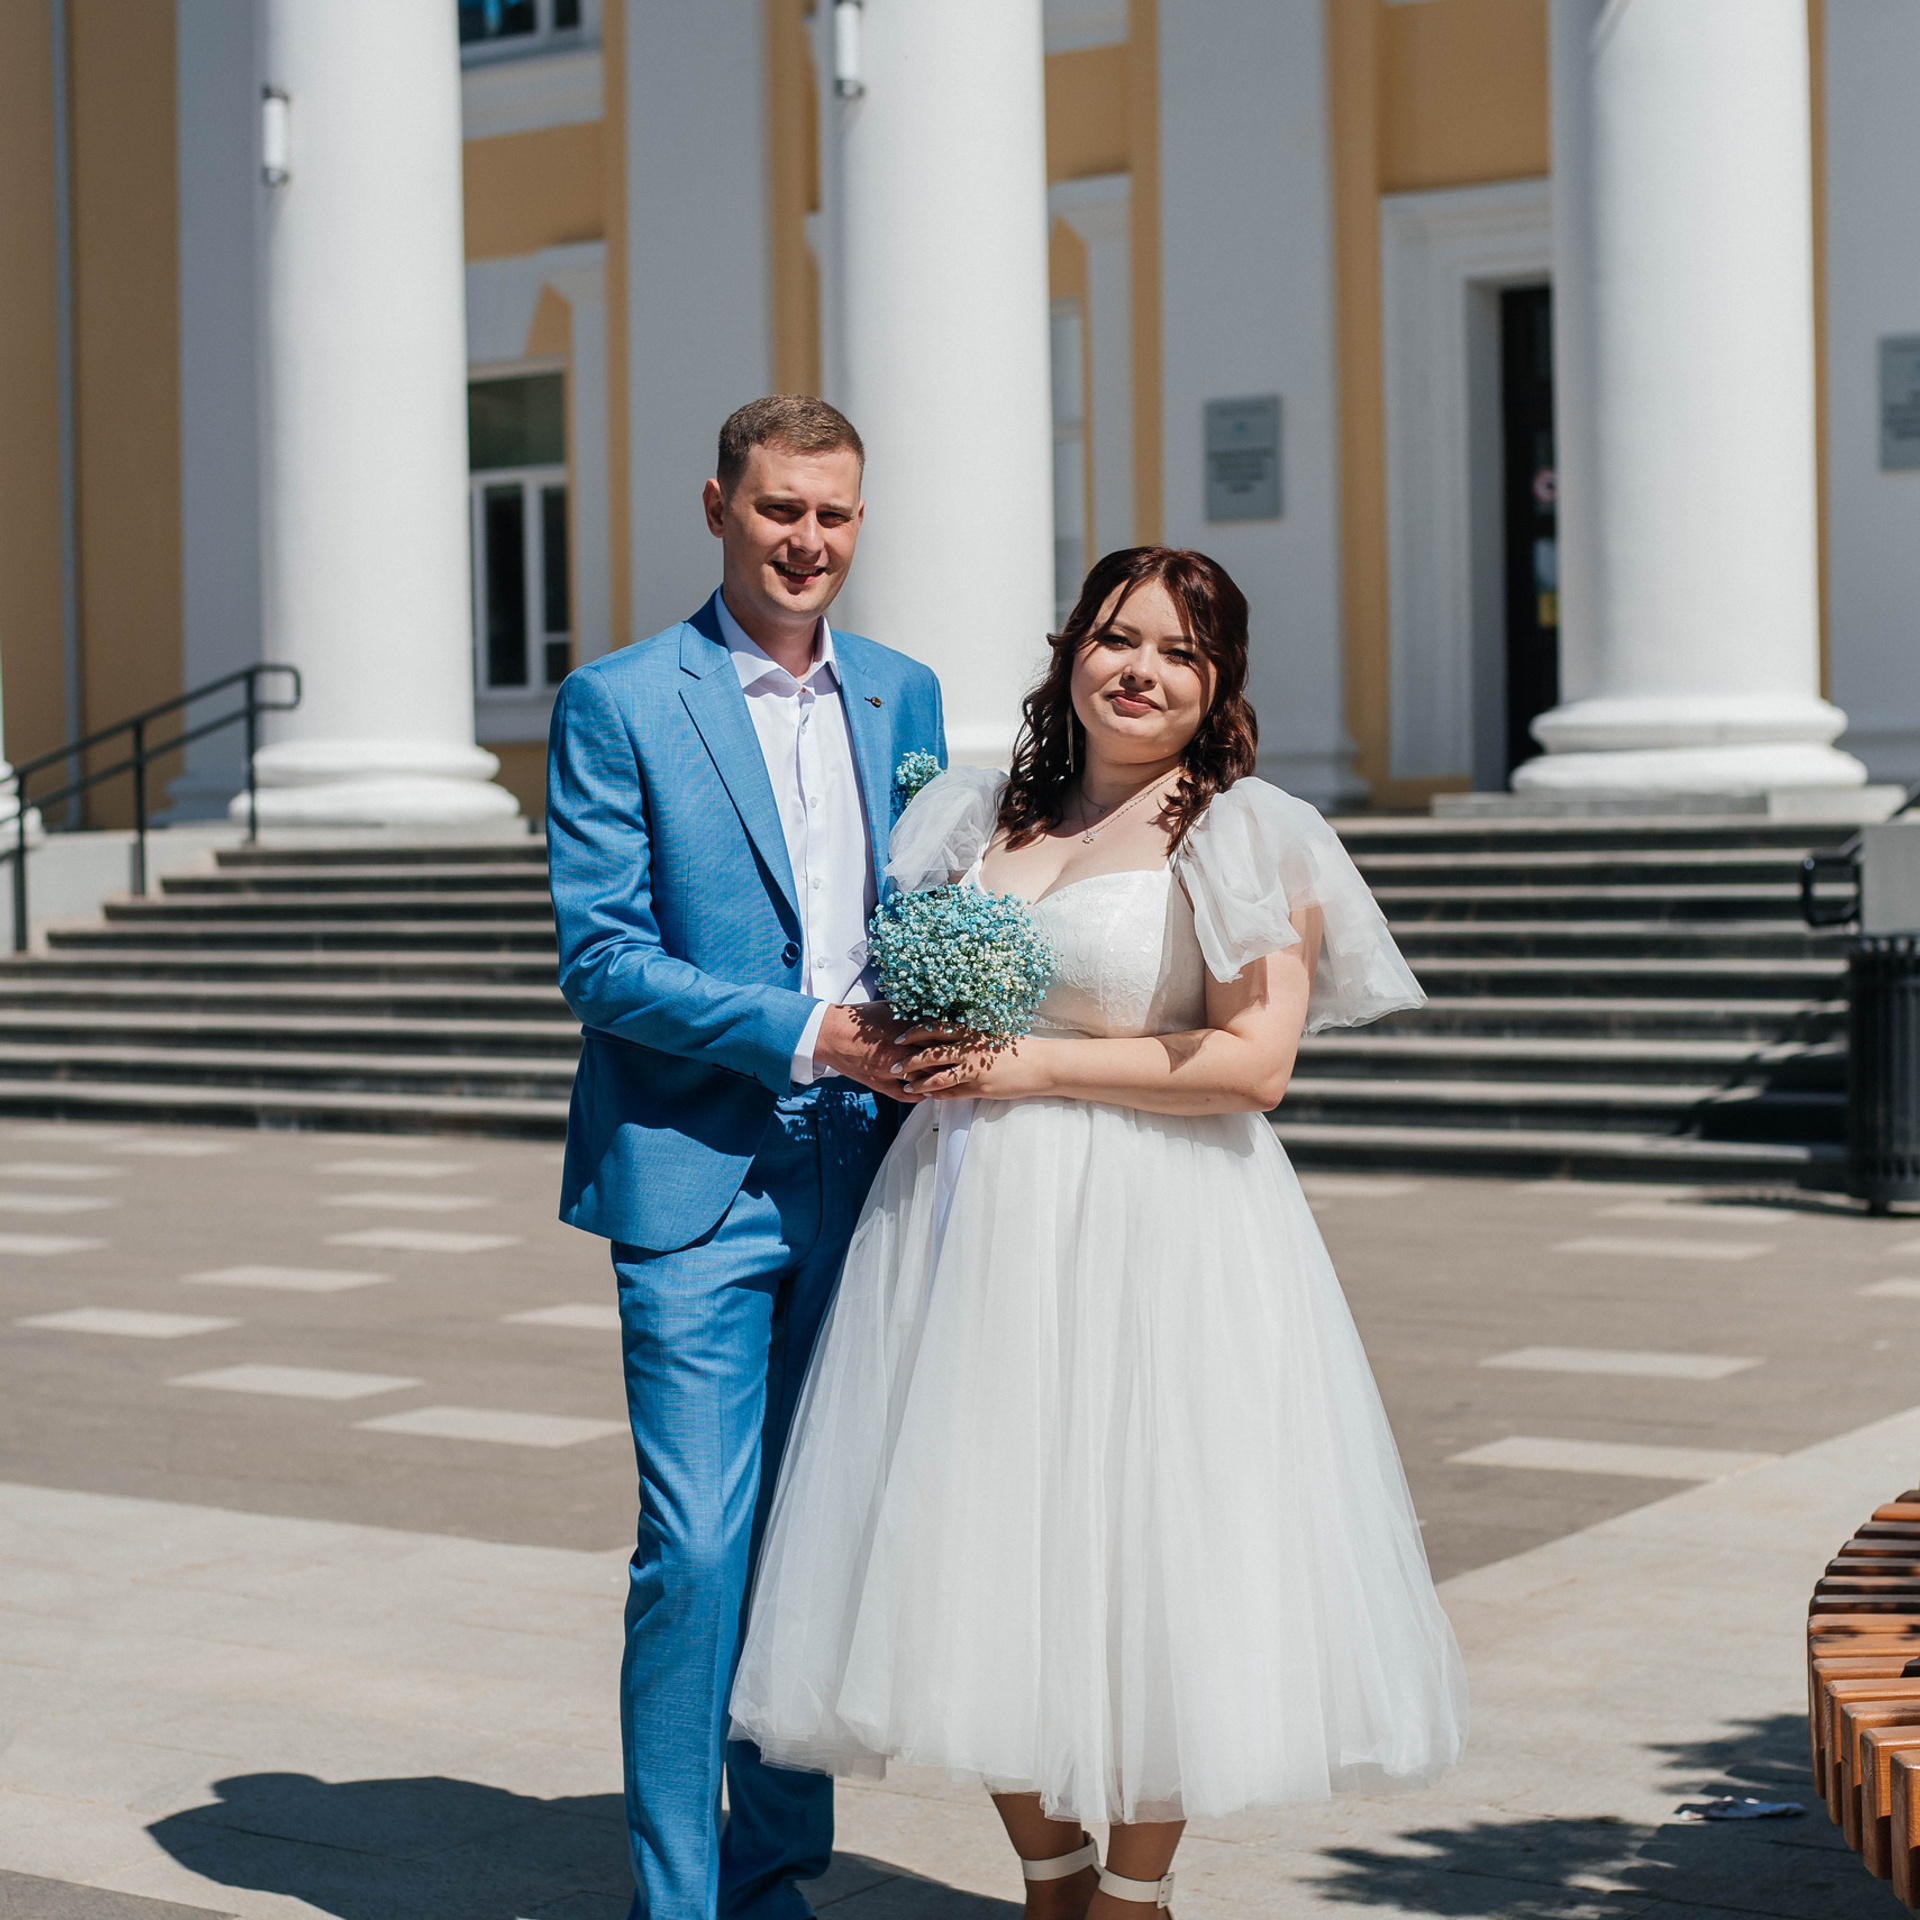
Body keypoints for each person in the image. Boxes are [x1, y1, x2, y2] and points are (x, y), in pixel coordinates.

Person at [729, 546, 1468, 1915]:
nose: (1141, 671)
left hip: (1163, 1225)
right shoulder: (971, 821)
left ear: (1217, 686)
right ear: (1071, 651)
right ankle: (1049, 1878)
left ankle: (1135, 1898)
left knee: (1157, 1566)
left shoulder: (1248, 834)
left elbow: (1256, 1064)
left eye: (1180, 653)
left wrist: (1033, 1069)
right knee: (980, 1544)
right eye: (1118, 638)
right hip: (969, 1229)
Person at [546, 394, 945, 1920]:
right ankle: (679, 1900)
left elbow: (920, 907)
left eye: (834, 515)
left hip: (871, 1171)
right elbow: (602, 962)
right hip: (695, 1176)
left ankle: (778, 1876)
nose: (808, 542)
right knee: (700, 1547)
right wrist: (810, 1031)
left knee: (809, 1541)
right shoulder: (620, 701)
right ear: (717, 505)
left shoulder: (905, 695)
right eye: (781, 510)